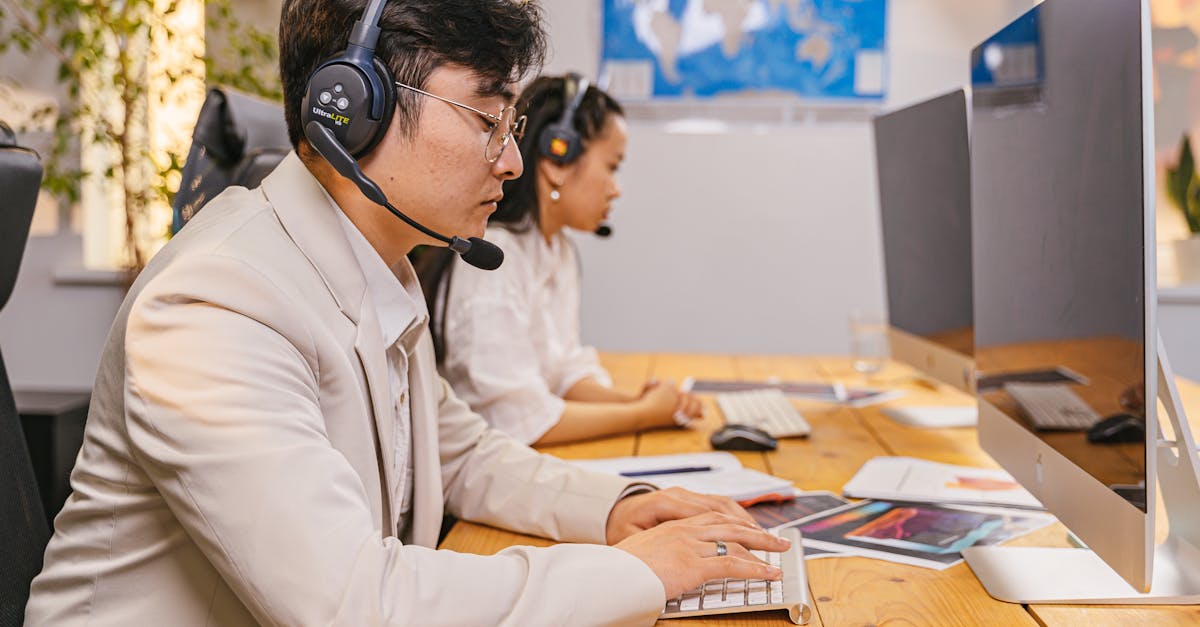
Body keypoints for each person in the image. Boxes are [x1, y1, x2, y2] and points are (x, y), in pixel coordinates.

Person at [24, 1, 789, 625]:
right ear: (357, 107)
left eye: (514, 126)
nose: (511, 162)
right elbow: (354, 604)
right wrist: (634, 573)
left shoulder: (378, 265)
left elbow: (459, 455)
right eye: (488, 120)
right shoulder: (216, 303)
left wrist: (621, 509)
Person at [418, 75, 702, 446]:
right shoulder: (494, 260)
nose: (616, 189)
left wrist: (637, 402)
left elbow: (566, 371)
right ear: (558, 158)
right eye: (612, 166)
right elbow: (519, 421)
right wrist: (645, 414)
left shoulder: (556, 249)